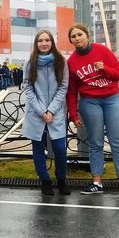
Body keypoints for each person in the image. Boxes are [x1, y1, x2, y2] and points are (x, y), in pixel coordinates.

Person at [65, 23, 119, 196]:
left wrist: (104, 69)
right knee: (95, 142)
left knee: (117, 141)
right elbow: (71, 90)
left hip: (112, 99)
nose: (77, 38)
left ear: (87, 35)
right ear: (71, 41)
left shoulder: (102, 50)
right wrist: (74, 114)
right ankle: (97, 182)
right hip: (90, 102)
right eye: (73, 36)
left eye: (79, 35)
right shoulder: (72, 61)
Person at [22, 29, 70, 196]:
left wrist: (51, 110)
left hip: (55, 112)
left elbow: (63, 86)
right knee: (38, 148)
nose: (44, 43)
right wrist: (42, 111)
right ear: (36, 44)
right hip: (36, 113)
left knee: (60, 148)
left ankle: (62, 179)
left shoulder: (61, 61)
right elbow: (28, 87)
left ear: (52, 42)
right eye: (40, 40)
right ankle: (45, 180)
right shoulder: (30, 62)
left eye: (47, 40)